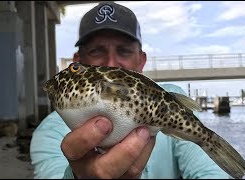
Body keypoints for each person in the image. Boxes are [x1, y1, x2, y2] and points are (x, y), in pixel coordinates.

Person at [30, 2, 230, 179]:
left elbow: (210, 173)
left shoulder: (171, 96)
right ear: (77, 61)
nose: (111, 63)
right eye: (96, 51)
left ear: (141, 60)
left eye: (123, 50)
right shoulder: (50, 133)